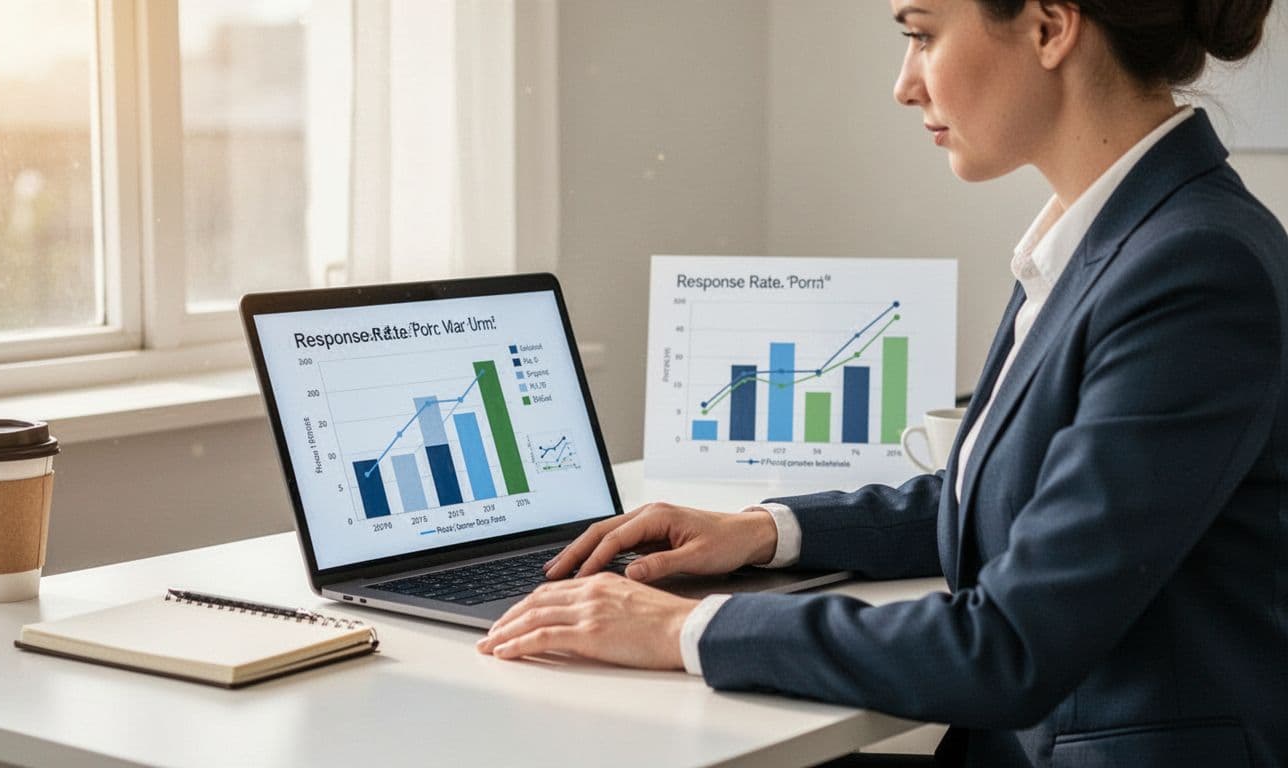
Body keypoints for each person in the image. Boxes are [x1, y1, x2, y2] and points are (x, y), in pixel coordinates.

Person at [477, 1, 1288, 765]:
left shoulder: (1191, 270)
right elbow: (1020, 497)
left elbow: (1011, 646)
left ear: (1048, 26)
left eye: (923, 33)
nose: (904, 84)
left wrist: (689, 628)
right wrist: (766, 531)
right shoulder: (1107, 235)